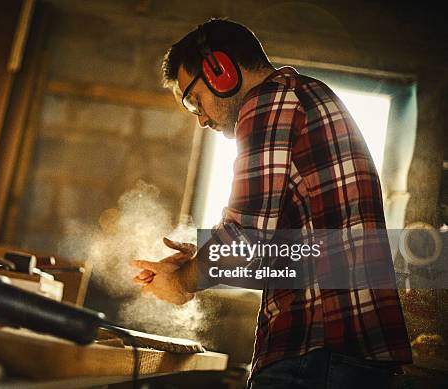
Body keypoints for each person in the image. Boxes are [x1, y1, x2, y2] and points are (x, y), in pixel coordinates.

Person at [130, 19, 412, 389]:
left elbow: (245, 240)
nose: (200, 119)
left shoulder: (270, 101)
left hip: (318, 352)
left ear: (220, 71)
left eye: (195, 100)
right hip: (344, 352)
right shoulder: (301, 97)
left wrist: (182, 283)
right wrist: (203, 253)